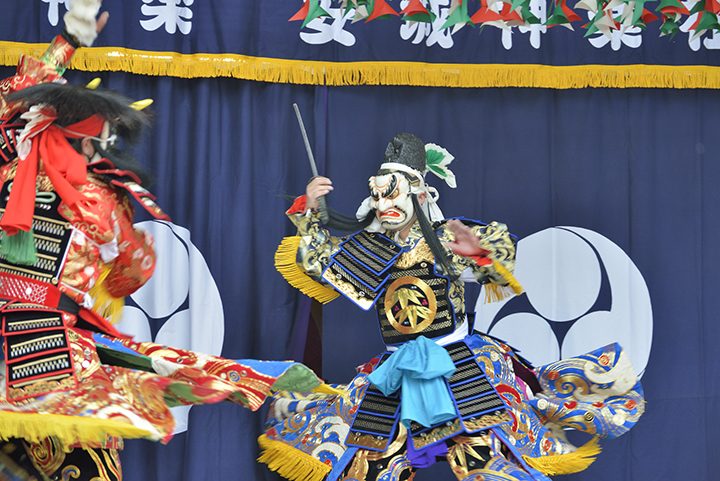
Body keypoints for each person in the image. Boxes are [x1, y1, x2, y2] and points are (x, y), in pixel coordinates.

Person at [0, 2, 326, 480]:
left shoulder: (9, 172)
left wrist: (65, 43)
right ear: (88, 144)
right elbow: (128, 275)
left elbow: (15, 99)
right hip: (53, 358)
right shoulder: (97, 200)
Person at [259, 132, 645, 481]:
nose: (384, 204)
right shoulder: (369, 247)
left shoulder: (444, 239)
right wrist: (310, 211)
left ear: (419, 195)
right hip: (398, 369)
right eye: (378, 196)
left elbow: (498, 263)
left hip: (456, 364)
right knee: (369, 463)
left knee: (484, 459)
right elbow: (319, 263)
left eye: (393, 194)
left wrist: (480, 252)